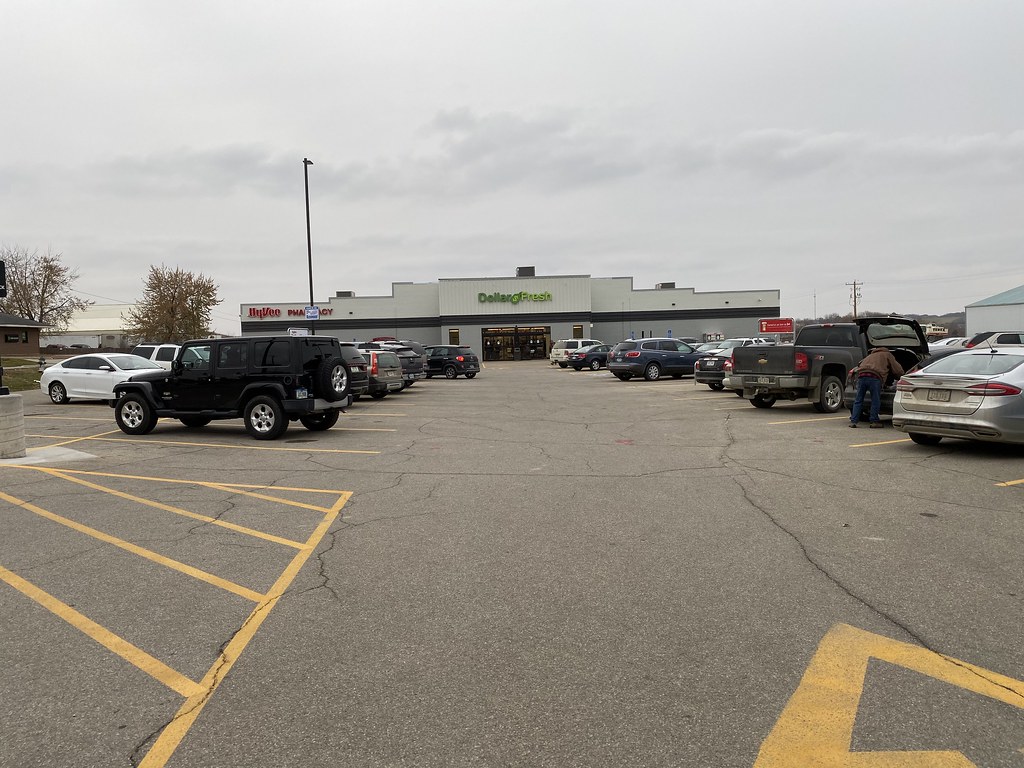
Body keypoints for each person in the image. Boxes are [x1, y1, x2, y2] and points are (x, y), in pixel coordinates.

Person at [849, 346, 905, 428]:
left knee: (858, 399)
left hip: (861, 376)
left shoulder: (870, 356)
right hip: (874, 378)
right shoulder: (887, 355)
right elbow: (897, 370)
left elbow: (859, 365)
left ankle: (853, 421)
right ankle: (874, 421)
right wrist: (902, 375)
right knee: (875, 400)